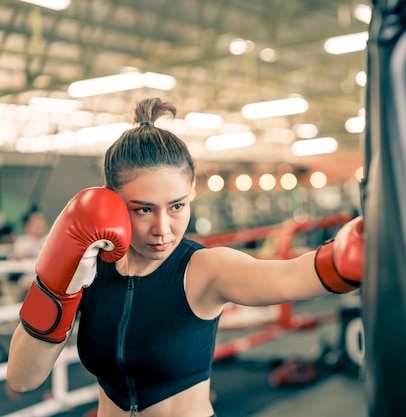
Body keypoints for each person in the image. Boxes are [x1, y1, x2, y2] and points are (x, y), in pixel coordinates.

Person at [6, 97, 364, 417]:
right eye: (143, 209)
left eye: (177, 206)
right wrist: (58, 284)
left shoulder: (204, 269)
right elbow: (22, 380)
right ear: (111, 202)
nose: (163, 228)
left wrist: (342, 259)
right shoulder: (88, 269)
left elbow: (291, 276)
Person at [9, 208, 49, 298]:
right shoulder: (23, 241)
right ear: (27, 226)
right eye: (36, 221)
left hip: (49, 279)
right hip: (30, 280)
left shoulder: (49, 239)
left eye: (41, 219)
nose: (40, 223)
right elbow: (19, 256)